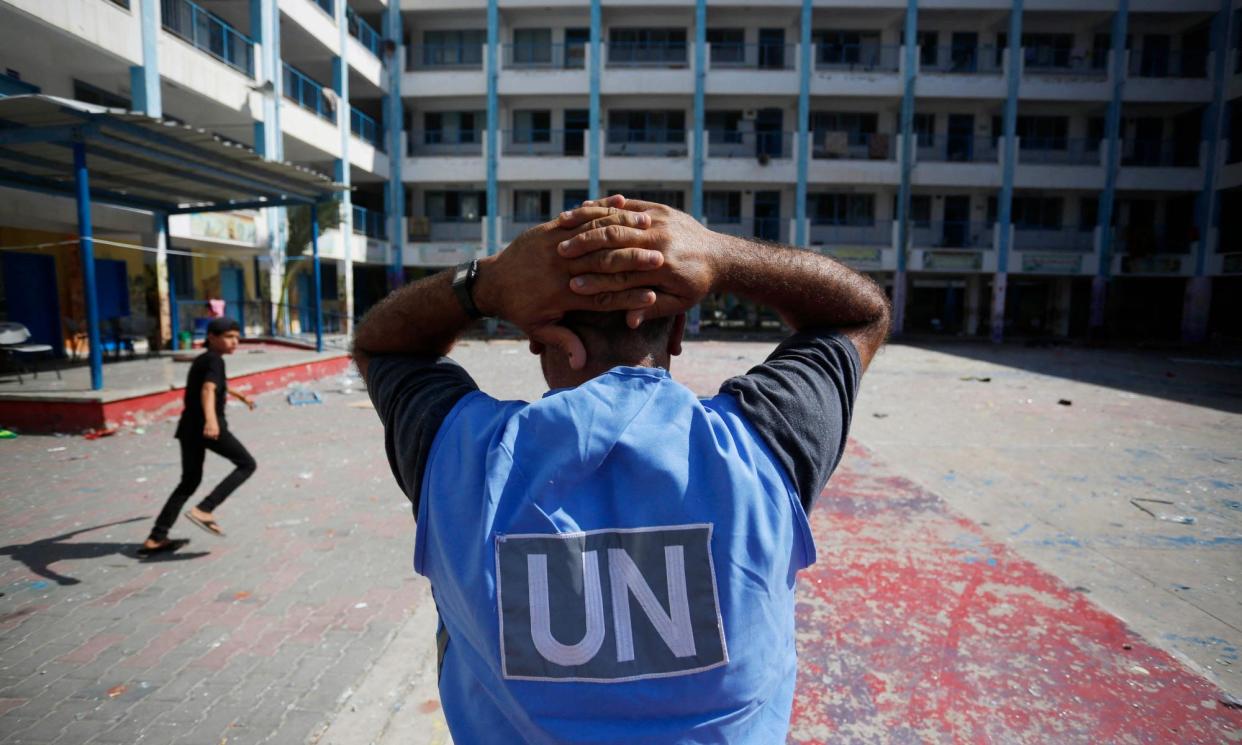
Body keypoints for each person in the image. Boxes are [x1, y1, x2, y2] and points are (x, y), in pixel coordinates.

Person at [352, 195, 889, 743]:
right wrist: (722, 256)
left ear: (538, 335)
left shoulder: (460, 454)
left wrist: (484, 284)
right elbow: (860, 312)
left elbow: (381, 346)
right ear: (677, 333)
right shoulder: (761, 444)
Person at [140, 317, 257, 555]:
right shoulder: (215, 360)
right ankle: (205, 508)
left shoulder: (206, 360)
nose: (234, 342)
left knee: (189, 481)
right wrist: (212, 421)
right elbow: (208, 389)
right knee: (247, 464)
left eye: (237, 337)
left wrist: (240, 396)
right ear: (212, 338)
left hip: (189, 428)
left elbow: (213, 384)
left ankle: (156, 538)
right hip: (207, 428)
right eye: (228, 337)